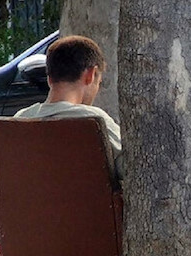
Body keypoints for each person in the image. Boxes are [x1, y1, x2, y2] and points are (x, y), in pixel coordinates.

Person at [14, 35, 123, 179]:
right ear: (90, 75)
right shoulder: (96, 120)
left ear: (49, 78)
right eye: (99, 82)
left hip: (30, 201)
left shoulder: (17, 121)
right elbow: (130, 170)